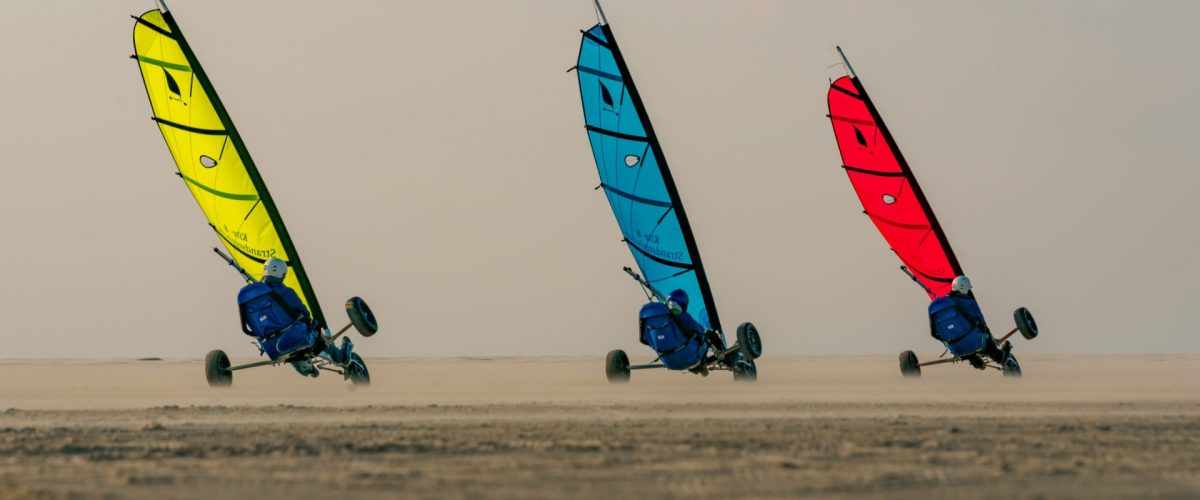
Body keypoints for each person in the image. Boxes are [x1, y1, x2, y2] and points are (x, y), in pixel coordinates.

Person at [238, 258, 352, 376]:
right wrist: (311, 322)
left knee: (291, 348)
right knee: (315, 333)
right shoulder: (286, 292)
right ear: (283, 275)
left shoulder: (251, 299)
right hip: (295, 337)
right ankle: (341, 357)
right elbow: (305, 313)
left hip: (272, 346)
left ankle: (307, 368)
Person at [929, 275, 1008, 368]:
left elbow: (934, 333)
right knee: (986, 341)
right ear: (965, 288)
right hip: (974, 341)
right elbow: (981, 321)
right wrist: (988, 333)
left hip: (955, 348)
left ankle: (974, 360)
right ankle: (1000, 357)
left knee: (965, 344)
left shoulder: (937, 306)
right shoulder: (969, 302)